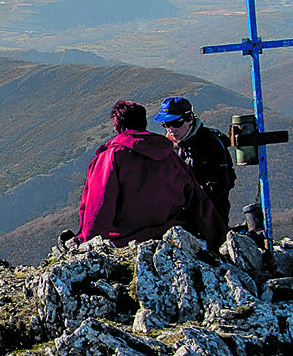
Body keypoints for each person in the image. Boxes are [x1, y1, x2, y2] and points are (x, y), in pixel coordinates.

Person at [77, 100, 226, 248]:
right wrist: (219, 239)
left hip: (126, 240)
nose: (171, 129)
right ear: (144, 124)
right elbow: (197, 200)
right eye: (167, 125)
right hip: (170, 236)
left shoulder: (110, 158)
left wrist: (88, 243)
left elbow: (98, 206)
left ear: (117, 128)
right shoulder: (171, 157)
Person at [152, 97, 236, 226]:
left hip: (210, 216)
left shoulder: (210, 143)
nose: (171, 129)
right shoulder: (168, 147)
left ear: (190, 118)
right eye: (166, 124)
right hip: (180, 215)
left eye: (176, 123)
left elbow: (219, 186)